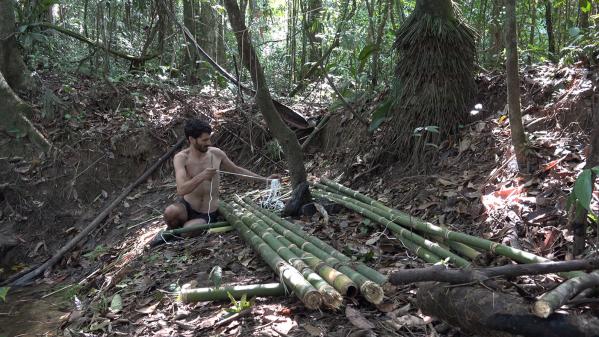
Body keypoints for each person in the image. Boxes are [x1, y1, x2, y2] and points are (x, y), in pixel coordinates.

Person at [163, 118, 278, 236]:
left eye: (209, 138)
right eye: (204, 140)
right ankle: (171, 232)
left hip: (207, 211)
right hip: (187, 206)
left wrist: (265, 180)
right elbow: (181, 189)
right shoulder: (181, 158)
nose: (209, 143)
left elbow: (237, 170)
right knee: (170, 212)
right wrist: (202, 176)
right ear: (192, 139)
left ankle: (177, 233)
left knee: (187, 231)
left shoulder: (216, 153)